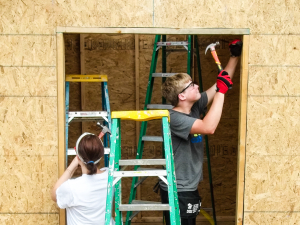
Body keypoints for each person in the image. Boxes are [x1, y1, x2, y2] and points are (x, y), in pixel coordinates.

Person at [159, 39, 243, 225]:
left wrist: (234, 56)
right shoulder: (174, 118)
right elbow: (208, 127)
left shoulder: (194, 107)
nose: (197, 86)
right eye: (191, 85)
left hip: (188, 187)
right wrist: (221, 91)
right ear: (181, 96)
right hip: (177, 189)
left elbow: (222, 81)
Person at [51, 132, 115, 225]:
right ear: (100, 155)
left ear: (78, 156)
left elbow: (54, 194)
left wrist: (71, 167)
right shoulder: (111, 177)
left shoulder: (72, 188)